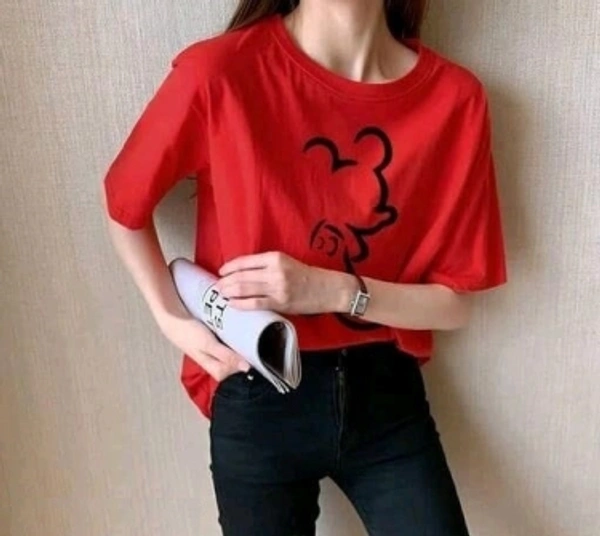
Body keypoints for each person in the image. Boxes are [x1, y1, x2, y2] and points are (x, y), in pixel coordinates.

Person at [102, 0, 507, 534]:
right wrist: (172, 319)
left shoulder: (455, 100)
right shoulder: (219, 74)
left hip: (386, 396)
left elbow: (454, 303)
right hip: (257, 387)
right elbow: (124, 204)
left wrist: (333, 290)